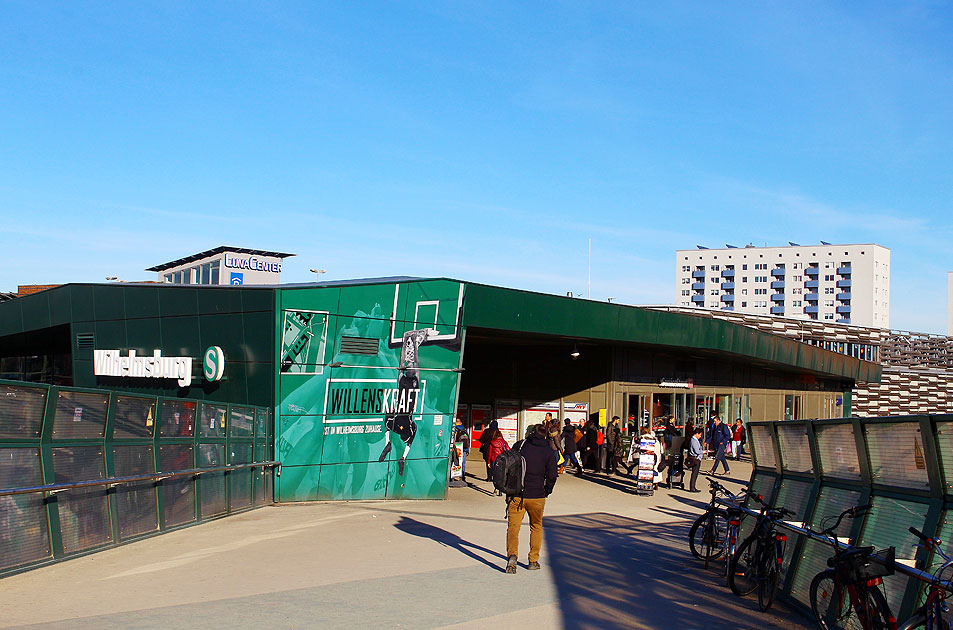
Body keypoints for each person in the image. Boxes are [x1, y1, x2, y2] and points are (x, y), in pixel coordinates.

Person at [505, 423, 558, 573]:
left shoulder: (520, 445)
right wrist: (547, 490)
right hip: (537, 495)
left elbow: (509, 465)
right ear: (545, 435)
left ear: (531, 433)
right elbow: (552, 475)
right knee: (536, 526)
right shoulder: (548, 451)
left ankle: (512, 556)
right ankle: (533, 560)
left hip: (517, 494)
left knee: (513, 527)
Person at [687, 427, 703, 492]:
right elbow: (696, 451)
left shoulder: (694, 440)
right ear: (696, 434)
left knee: (695, 473)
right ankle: (692, 487)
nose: (700, 436)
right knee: (694, 473)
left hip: (696, 458)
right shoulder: (693, 440)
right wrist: (703, 452)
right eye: (700, 435)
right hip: (695, 458)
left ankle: (693, 487)